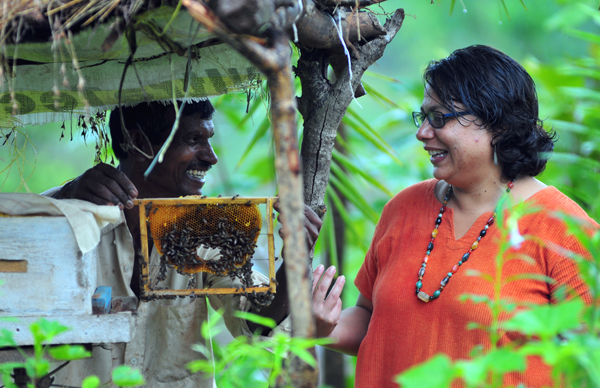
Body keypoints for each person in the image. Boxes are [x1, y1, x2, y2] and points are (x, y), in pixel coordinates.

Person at [312, 45, 599, 387]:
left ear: (500, 124)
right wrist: (322, 326)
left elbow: (587, 364)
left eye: (439, 118)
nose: (422, 133)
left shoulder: (567, 231)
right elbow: (372, 319)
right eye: (423, 117)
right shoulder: (402, 208)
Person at [46, 100, 322, 388]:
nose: (211, 157)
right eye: (193, 139)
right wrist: (67, 199)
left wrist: (294, 257)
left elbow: (256, 322)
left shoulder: (205, 229)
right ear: (138, 142)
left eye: (209, 140)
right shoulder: (67, 210)